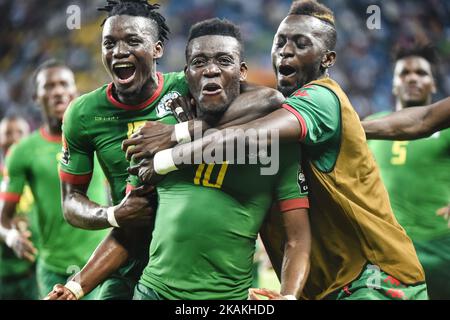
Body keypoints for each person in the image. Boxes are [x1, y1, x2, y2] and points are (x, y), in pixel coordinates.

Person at [125, 0, 428, 300]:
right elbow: (260, 103)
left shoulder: (321, 97)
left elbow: (247, 137)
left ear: (327, 59)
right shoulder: (280, 105)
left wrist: (168, 153)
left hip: (378, 277)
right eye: (280, 41)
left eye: (300, 43)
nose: (286, 50)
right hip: (336, 282)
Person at [46, 18, 311, 301]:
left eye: (224, 61)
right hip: (150, 289)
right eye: (199, 63)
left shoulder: (274, 143)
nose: (211, 70)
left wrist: (290, 296)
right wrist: (75, 287)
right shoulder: (151, 142)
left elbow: (298, 237)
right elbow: (131, 227)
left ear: (241, 71)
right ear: (188, 76)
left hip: (229, 297)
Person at [0, 60, 108, 299]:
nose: (57, 91)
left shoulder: (98, 138)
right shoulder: (23, 151)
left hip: (101, 263)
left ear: (74, 91)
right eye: (48, 86)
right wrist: (12, 236)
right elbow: (3, 217)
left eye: (63, 84)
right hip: (53, 270)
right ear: (36, 97)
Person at [365, 44, 450, 299]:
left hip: (439, 244)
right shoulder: (372, 125)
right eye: (404, 73)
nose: (412, 77)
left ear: (433, 85)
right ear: (393, 84)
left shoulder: (446, 128)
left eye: (422, 73)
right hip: (387, 248)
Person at [0, 115, 38, 300]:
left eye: (20, 133)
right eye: (8, 133)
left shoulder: (38, 178)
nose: (14, 138)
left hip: (34, 273)